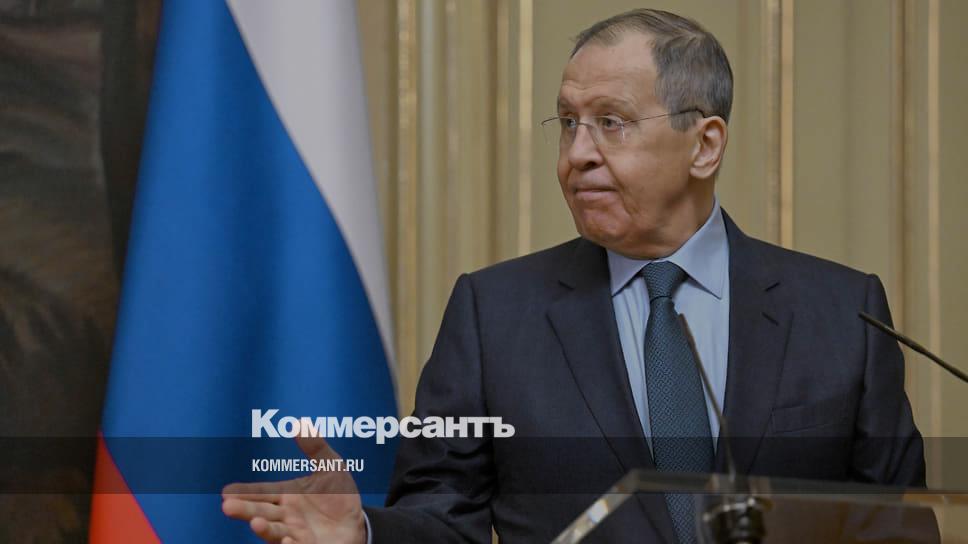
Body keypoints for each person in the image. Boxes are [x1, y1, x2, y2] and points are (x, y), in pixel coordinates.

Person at [222, 8, 925, 543]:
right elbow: (443, 516)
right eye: (567, 122)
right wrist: (365, 533)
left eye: (610, 122)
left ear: (705, 145)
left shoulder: (843, 313)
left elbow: (899, 525)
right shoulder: (493, 316)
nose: (577, 153)